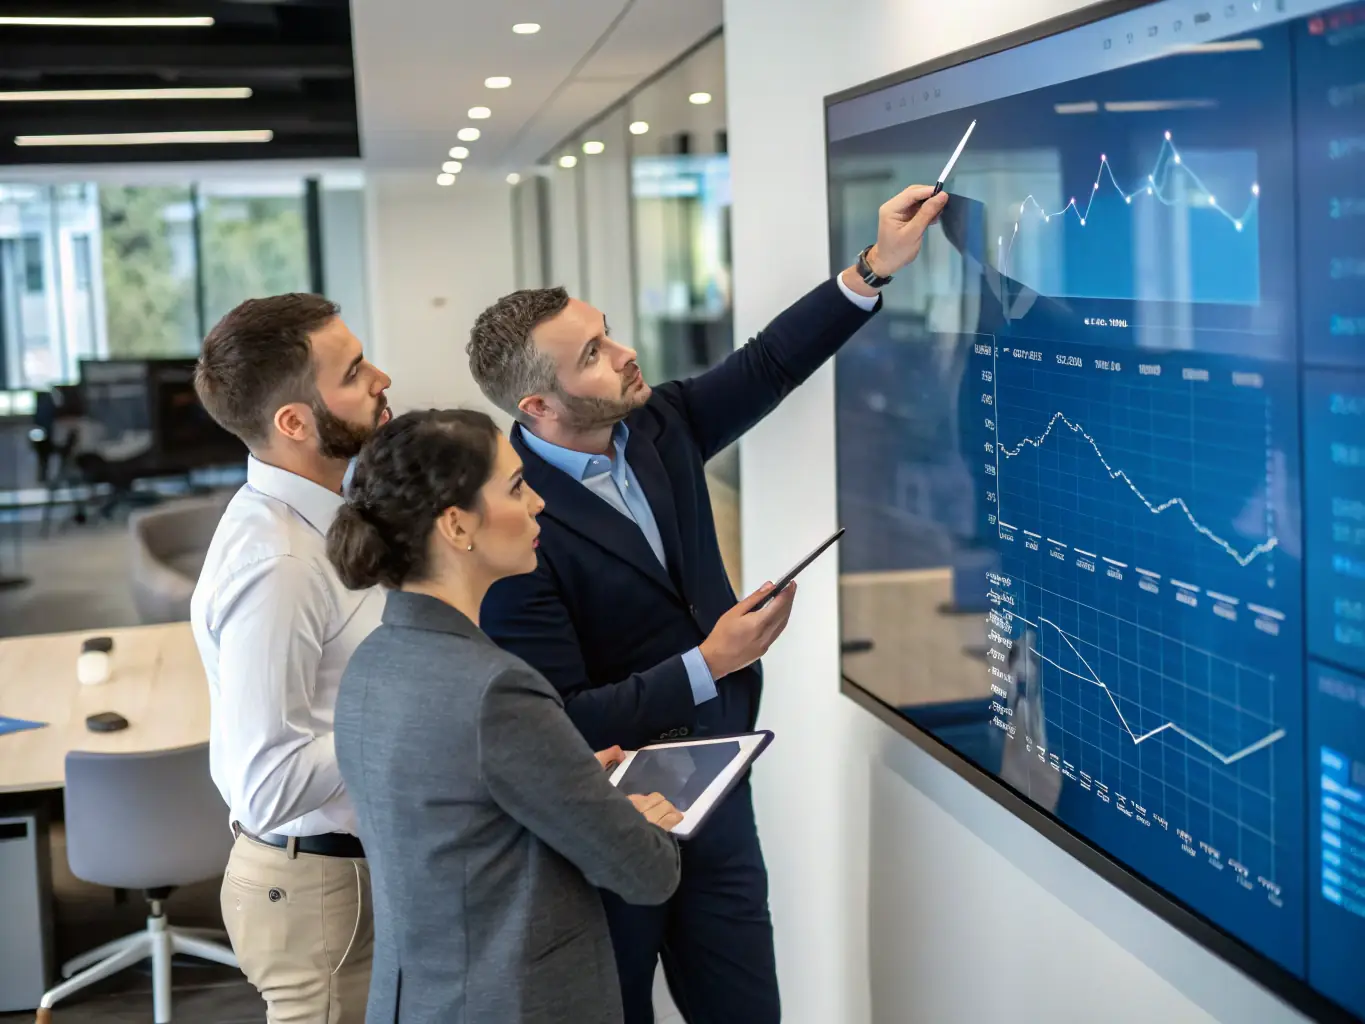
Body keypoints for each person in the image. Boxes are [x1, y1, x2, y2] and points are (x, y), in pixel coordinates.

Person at [467, 183, 949, 1023]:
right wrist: (711, 660)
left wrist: (872, 268)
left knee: (744, 1003)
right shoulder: (507, 519)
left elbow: (768, 363)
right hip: (604, 814)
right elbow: (557, 718)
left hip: (716, 782)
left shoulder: (657, 426)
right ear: (536, 406)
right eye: (591, 354)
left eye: (606, 331)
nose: (621, 354)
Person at [326, 408, 684, 1024]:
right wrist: (632, 820)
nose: (539, 503)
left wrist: (568, 783)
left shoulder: (373, 664)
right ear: (457, 525)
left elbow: (458, 831)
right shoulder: (497, 689)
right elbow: (647, 873)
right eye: (517, 486)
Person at [189, 293, 392, 1023]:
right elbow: (267, 782)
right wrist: (409, 717)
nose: (383, 378)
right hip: (316, 891)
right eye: (356, 370)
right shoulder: (279, 563)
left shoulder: (326, 521)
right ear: (294, 422)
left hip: (348, 872)